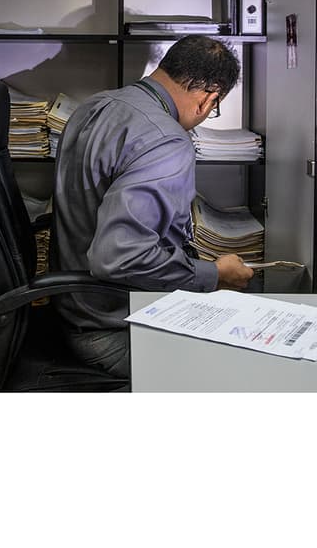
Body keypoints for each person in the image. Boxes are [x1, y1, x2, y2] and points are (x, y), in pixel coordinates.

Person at [52, 35, 254, 379]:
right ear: (209, 99)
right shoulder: (166, 140)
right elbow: (120, 256)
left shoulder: (95, 105)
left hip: (70, 308)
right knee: (247, 365)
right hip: (111, 328)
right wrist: (215, 274)